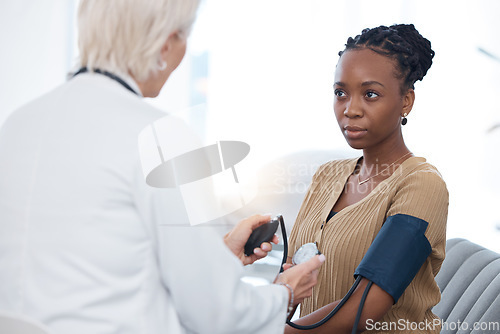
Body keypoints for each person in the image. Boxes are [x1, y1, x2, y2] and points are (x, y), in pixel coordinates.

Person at [0, 0, 325, 333]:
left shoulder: (19, 124)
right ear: (166, 42)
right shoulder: (160, 137)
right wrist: (284, 293)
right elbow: (216, 313)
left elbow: (93, 260)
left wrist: (217, 257)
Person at [285, 24, 448, 333]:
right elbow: (294, 278)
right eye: (340, 93)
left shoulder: (422, 184)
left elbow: (366, 306)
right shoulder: (327, 175)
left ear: (405, 101)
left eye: (370, 94)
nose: (351, 109)